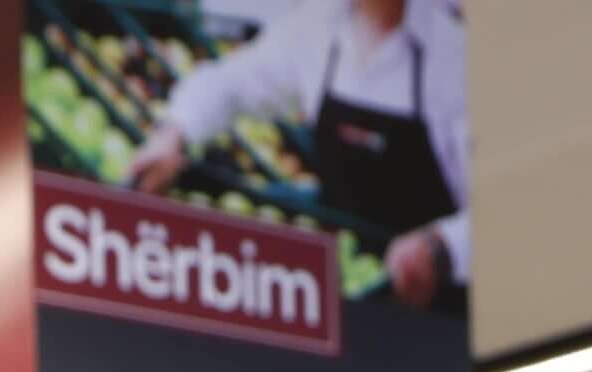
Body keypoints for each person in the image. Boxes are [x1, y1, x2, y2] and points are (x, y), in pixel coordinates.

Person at [127, 0, 470, 310]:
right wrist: (173, 133)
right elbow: (231, 84)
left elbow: (496, 210)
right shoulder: (319, 26)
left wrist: (442, 247)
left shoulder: (454, 53)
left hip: (439, 318)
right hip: (343, 290)